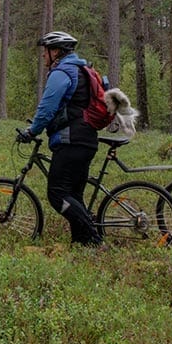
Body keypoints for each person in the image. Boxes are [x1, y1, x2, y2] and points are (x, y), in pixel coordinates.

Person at [17, 31, 103, 247]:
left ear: (55, 51)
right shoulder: (81, 70)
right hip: (86, 139)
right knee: (74, 194)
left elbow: (46, 109)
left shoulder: (62, 73)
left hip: (71, 140)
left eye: (45, 51)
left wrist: (32, 131)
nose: (42, 56)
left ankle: (94, 239)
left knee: (57, 194)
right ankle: (82, 244)